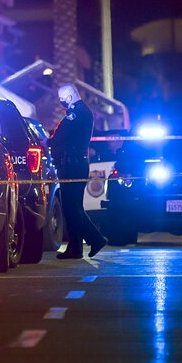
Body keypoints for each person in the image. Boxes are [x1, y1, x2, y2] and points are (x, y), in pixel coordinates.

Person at [48, 83, 108, 259]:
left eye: (62, 99)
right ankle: (77, 247)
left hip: (72, 166)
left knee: (72, 208)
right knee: (73, 207)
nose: (61, 102)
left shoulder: (76, 114)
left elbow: (59, 137)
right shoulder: (82, 112)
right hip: (75, 164)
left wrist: (47, 142)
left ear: (69, 97)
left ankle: (94, 239)